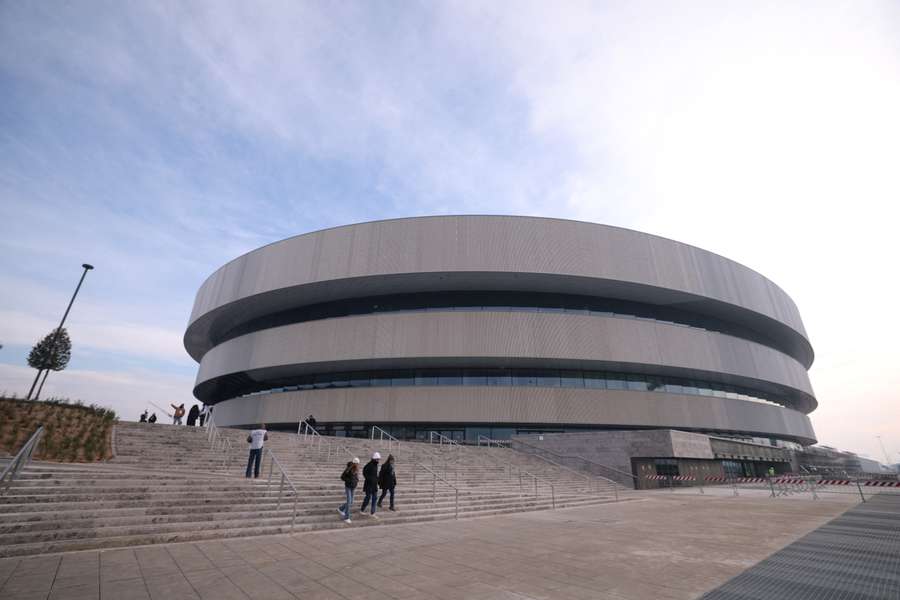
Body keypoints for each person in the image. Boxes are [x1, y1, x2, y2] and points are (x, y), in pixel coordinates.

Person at [338, 458, 360, 524]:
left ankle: (341, 509)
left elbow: (356, 477)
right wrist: (349, 481)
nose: (358, 465)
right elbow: (342, 477)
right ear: (355, 463)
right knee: (349, 501)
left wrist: (356, 480)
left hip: (353, 487)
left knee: (351, 501)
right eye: (357, 463)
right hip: (348, 487)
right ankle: (346, 517)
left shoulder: (356, 469)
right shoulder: (349, 468)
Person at [360, 452, 381, 518]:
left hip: (374, 485)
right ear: (374, 459)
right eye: (377, 459)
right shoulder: (369, 465)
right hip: (368, 485)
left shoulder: (375, 465)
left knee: (374, 498)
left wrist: (377, 479)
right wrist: (369, 479)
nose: (378, 460)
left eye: (378, 459)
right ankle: (362, 510)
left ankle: (372, 512)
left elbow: (375, 475)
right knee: (368, 498)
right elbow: (364, 472)